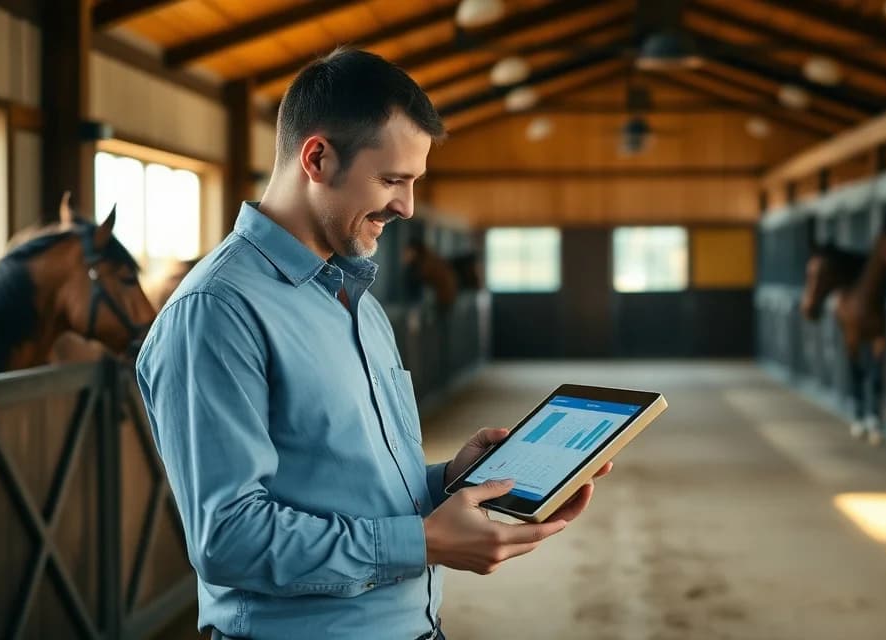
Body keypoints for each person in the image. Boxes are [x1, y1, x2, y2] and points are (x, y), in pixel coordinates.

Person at [135, 50, 610, 640]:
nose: (407, 207)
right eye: (392, 180)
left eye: (413, 183)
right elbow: (227, 539)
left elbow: (346, 483)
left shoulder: (356, 299)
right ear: (317, 157)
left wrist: (447, 482)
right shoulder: (216, 311)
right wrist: (424, 541)